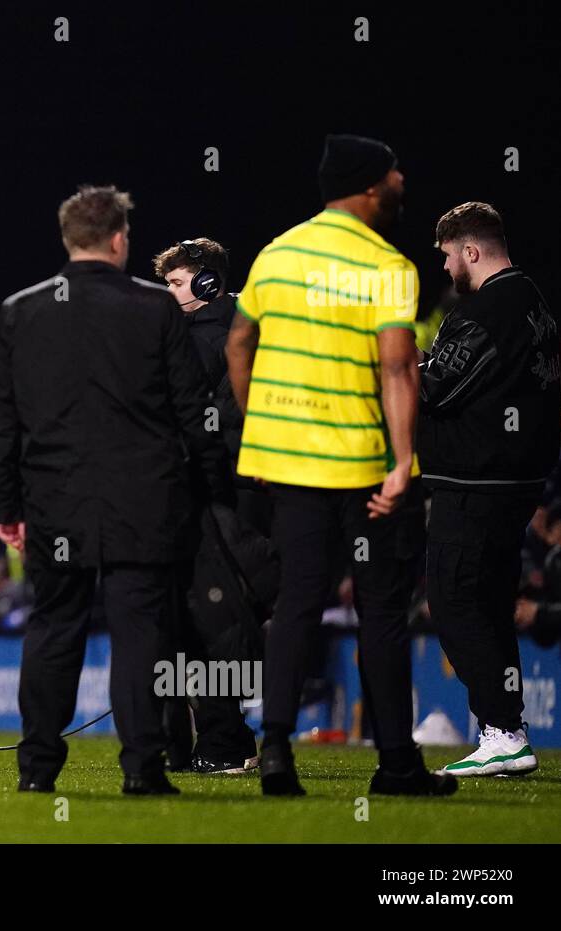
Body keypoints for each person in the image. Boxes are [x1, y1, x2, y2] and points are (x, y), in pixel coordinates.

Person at [0, 185, 231, 795]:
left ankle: (37, 770)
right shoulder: (157, 308)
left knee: (54, 627)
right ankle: (143, 770)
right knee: (141, 632)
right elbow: (193, 412)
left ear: (70, 239)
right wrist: (214, 487)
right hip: (145, 502)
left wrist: (4, 508)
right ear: (120, 239)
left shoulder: (22, 309)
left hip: (54, 502)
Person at [226, 133, 454, 797]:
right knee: (380, 612)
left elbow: (239, 342)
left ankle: (274, 751)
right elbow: (397, 367)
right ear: (368, 186)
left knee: (296, 602)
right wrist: (403, 461)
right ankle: (396, 765)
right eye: (392, 173)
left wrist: (260, 431)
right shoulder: (387, 264)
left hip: (289, 469)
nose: (400, 181)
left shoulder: (277, 253)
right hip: (361, 467)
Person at [418, 201, 560, 777]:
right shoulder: (534, 301)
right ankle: (506, 732)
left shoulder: (488, 309)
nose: (447, 267)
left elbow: (434, 389)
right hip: (518, 481)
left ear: (470, 251)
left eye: (449, 255)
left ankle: (503, 731)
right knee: (491, 605)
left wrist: (398, 362)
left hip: (477, 483)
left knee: (452, 600)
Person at [153, 237, 262, 774]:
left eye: (175, 282)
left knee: (212, 622)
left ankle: (223, 743)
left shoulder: (209, 339)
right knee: (204, 621)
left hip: (219, 498)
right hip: (234, 494)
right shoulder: (244, 326)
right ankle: (206, 742)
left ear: (207, 282)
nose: (167, 292)